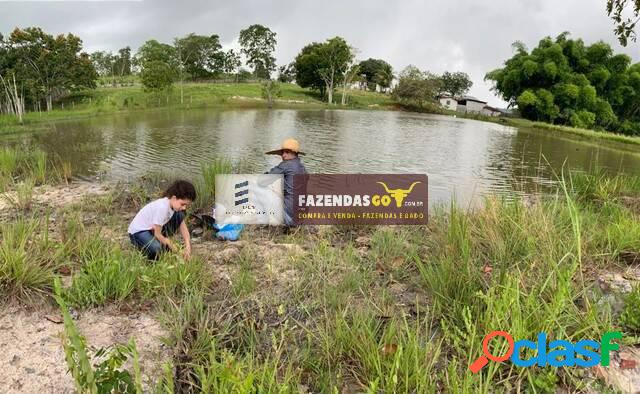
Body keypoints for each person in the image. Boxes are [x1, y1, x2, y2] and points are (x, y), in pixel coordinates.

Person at [128, 180, 196, 261]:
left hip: (152, 229)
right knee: (156, 250)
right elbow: (157, 234)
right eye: (182, 204)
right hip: (138, 232)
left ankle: (159, 243)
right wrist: (172, 246)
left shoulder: (174, 206)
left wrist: (187, 246)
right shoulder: (162, 208)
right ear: (174, 198)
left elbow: (183, 228)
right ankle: (141, 247)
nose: (184, 207)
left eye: (187, 205)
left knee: (179, 215)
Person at [265, 138, 307, 227]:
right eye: (282, 152)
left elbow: (262, 181)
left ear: (295, 153)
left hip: (289, 217)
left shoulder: (286, 165)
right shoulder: (303, 168)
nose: (283, 155)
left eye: (287, 152)